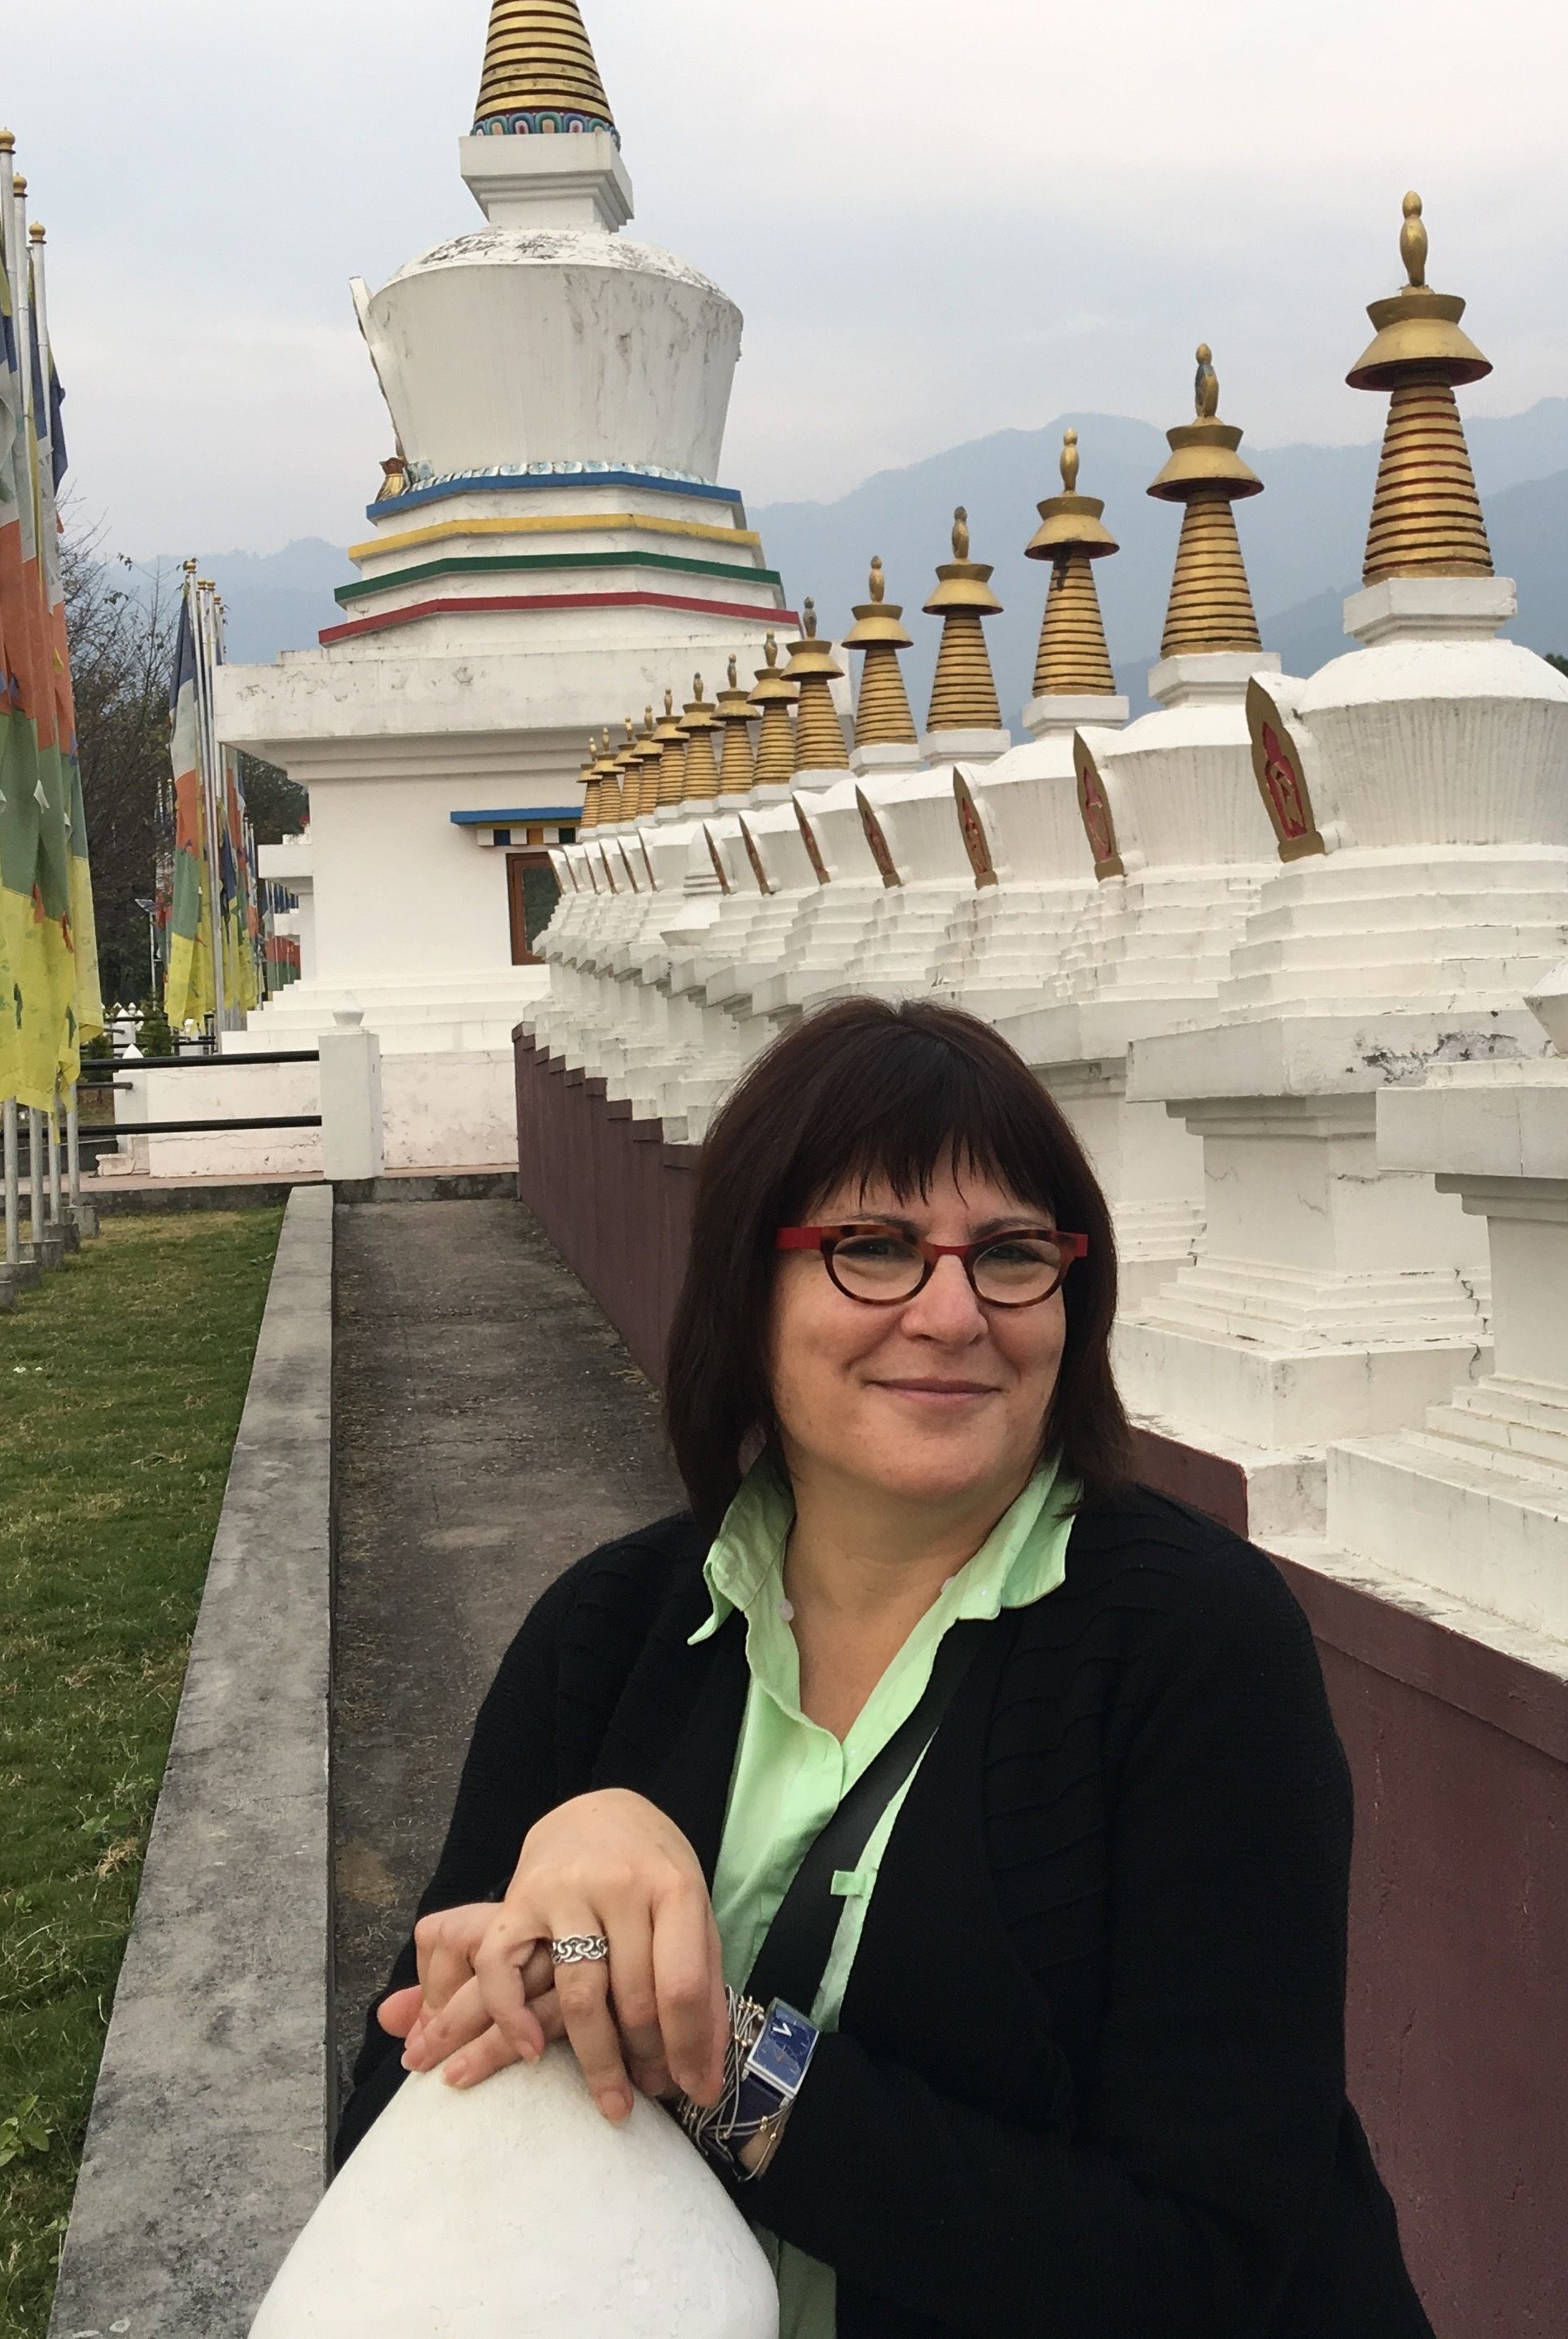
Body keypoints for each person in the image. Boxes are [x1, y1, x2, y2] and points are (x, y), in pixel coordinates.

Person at [339, 998, 1436, 2338]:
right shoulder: (609, 1634)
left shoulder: (1191, 1648)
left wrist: (727, 2065)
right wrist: (532, 1932)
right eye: (875, 1248)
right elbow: (400, 2122)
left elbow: (1196, 2260)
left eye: (1012, 1254)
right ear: (752, 1290)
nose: (953, 1311)